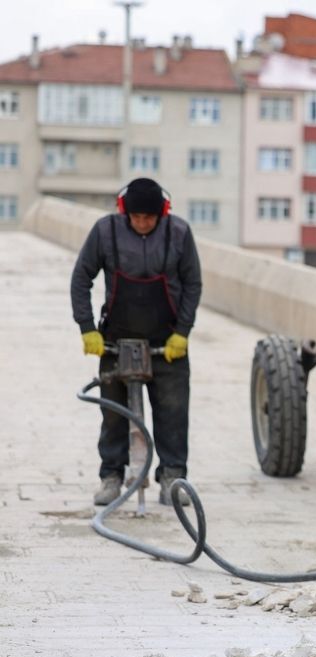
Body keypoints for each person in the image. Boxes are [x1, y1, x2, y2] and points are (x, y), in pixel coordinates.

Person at [70, 178, 202, 507]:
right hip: (117, 340)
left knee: (173, 412)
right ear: (124, 211)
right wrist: (87, 327)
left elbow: (192, 284)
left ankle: (172, 476)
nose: (142, 223)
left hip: (165, 342)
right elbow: (81, 277)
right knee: (113, 415)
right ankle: (111, 476)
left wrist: (182, 333)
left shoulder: (179, 234)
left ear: (163, 213)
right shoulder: (105, 232)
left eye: (149, 218)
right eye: (136, 217)